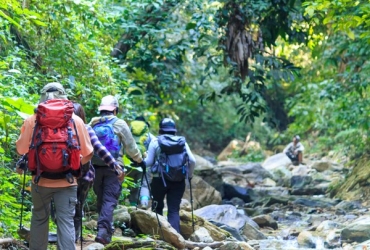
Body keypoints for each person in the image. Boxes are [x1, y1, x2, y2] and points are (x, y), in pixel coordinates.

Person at [15, 82, 93, 250]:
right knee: (66, 221)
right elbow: (88, 153)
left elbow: (21, 149)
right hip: (68, 181)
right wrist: (74, 166)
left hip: (40, 180)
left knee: (39, 219)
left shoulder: (32, 120)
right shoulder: (76, 120)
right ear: (63, 97)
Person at [89, 95, 145, 244]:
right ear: (115, 110)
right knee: (109, 199)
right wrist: (140, 160)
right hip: (114, 167)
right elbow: (131, 148)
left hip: (94, 166)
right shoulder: (120, 124)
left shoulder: (93, 123)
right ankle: (103, 231)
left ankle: (105, 229)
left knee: (101, 197)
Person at [72, 102, 124, 242]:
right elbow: (99, 148)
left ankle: (66, 236)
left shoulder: (91, 124)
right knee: (78, 205)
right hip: (84, 175)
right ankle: (75, 237)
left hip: (65, 175)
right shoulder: (86, 127)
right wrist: (115, 166)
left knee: (63, 206)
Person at [145, 118, 196, 233]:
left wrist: (140, 162)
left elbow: (148, 162)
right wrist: (189, 175)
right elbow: (192, 161)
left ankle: (157, 234)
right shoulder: (182, 143)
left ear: (160, 131)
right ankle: (175, 237)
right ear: (174, 131)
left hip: (159, 180)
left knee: (157, 207)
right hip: (178, 181)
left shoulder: (155, 142)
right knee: (173, 210)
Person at [128, 116, 156, 208]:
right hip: (144, 163)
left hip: (129, 163)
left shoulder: (128, 133)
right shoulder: (150, 136)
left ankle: (133, 205)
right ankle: (144, 203)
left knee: (132, 185)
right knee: (144, 185)